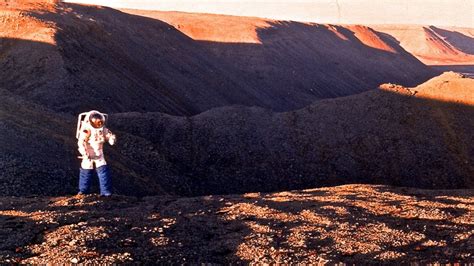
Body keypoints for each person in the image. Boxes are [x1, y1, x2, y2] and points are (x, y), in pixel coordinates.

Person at [76, 110, 116, 196]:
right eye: (97, 122)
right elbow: (81, 142)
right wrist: (84, 153)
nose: (99, 124)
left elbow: (108, 135)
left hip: (99, 153)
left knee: (103, 172)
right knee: (86, 172)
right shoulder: (86, 129)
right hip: (88, 154)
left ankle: (106, 192)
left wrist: (111, 139)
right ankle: (83, 191)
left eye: (100, 122)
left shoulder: (102, 129)